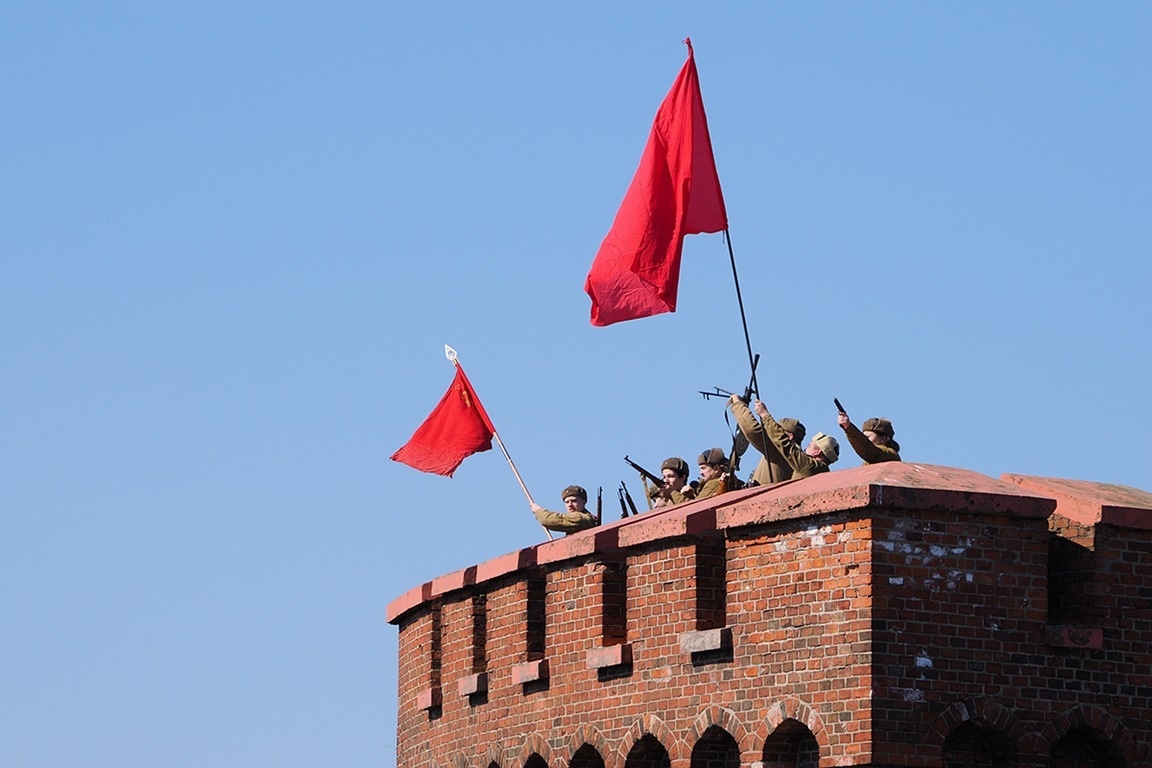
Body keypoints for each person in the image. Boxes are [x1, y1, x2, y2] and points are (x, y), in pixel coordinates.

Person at [749, 398, 840, 478]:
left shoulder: (808, 465)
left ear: (817, 451)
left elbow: (784, 443)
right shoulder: (823, 472)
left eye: (809, 445)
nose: (804, 449)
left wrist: (765, 415)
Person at [728, 394, 807, 486]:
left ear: (789, 436)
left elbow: (753, 431)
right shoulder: (797, 457)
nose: (773, 432)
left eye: (779, 431)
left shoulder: (781, 450)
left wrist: (737, 404)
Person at [530, 485, 598, 534]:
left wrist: (538, 510)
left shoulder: (583, 519)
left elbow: (549, 520)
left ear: (584, 501)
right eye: (567, 502)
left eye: (574, 501)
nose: (570, 505)